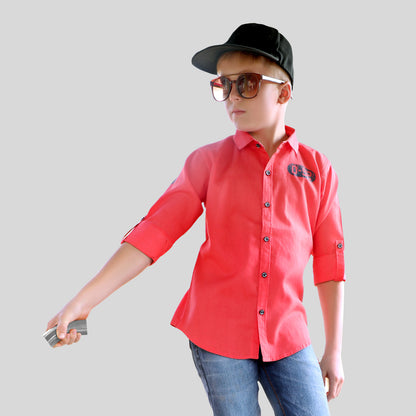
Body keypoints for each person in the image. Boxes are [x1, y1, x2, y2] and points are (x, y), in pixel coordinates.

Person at [46, 23, 345, 415]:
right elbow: (154, 233)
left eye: (247, 84)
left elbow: (330, 263)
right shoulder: (207, 161)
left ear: (284, 92)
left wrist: (333, 350)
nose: (232, 96)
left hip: (288, 336)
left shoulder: (318, 170)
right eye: (224, 85)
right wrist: (83, 301)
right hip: (216, 335)